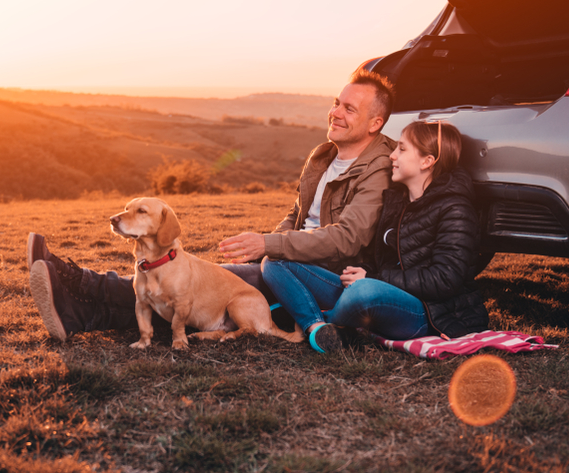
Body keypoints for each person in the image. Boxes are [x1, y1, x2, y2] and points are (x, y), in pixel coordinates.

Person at [27, 67, 398, 341]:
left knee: (193, 287)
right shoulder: (324, 156)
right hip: (287, 260)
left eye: (350, 109)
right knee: (187, 284)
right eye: (337, 103)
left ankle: (80, 289)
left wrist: (269, 246)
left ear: (374, 123)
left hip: (321, 274)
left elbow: (348, 238)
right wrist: (271, 241)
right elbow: (298, 216)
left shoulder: (378, 169)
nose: (336, 112)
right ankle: (81, 306)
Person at [261, 120, 489, 353]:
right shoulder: (397, 201)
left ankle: (306, 314)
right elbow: (381, 259)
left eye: (401, 149)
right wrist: (357, 271)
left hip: (430, 313)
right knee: (274, 261)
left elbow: (445, 279)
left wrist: (373, 278)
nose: (391, 156)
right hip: (379, 291)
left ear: (427, 161)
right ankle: (318, 327)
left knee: (364, 291)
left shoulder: (456, 209)